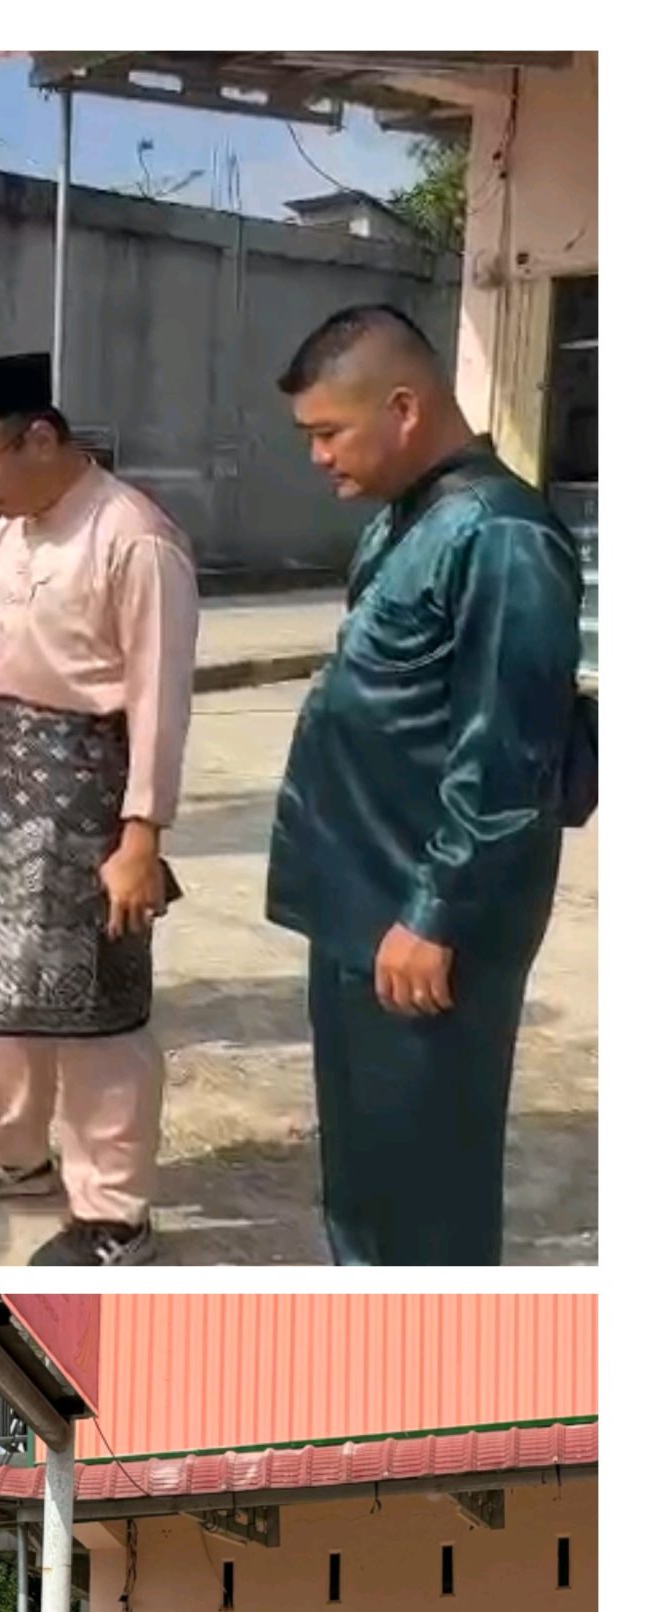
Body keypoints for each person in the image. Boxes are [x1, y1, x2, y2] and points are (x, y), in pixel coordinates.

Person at [267, 303, 585, 1266]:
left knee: (423, 1198)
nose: (317, 456)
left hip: (425, 927)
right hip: (365, 906)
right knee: (365, 1180)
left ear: (403, 406)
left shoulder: (499, 536)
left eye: (328, 431)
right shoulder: (410, 520)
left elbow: (508, 762)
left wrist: (435, 915)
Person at [0, 352, 200, 1268]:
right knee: (13, 992)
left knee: (96, 1012)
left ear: (40, 437)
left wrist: (141, 835)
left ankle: (115, 1211)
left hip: (90, 788)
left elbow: (159, 699)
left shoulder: (133, 537)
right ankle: (15, 1151)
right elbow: (0, 653)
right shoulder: (14, 526)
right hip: (4, 777)